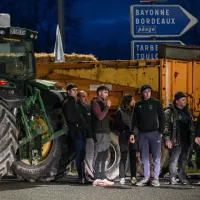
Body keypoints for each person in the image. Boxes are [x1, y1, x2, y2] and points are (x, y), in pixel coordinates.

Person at [130, 84, 165, 187]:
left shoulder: (156, 103)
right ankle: (146, 178)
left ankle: (156, 178)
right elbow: (134, 120)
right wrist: (132, 133)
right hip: (142, 134)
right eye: (145, 92)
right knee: (144, 157)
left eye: (149, 91)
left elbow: (162, 118)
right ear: (142, 93)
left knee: (156, 157)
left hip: (155, 133)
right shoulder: (138, 104)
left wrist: (161, 132)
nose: (147, 93)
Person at [164, 92, 194, 185]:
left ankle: (182, 178)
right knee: (174, 159)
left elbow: (191, 125)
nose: (185, 101)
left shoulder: (187, 112)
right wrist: (167, 138)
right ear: (177, 101)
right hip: (175, 140)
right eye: (183, 100)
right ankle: (172, 178)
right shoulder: (169, 112)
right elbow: (165, 126)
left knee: (184, 159)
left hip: (186, 140)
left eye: (185, 99)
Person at [62, 83, 87, 184]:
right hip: (75, 130)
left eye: (76, 90)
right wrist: (80, 123)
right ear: (68, 91)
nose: (76, 92)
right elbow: (71, 118)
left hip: (78, 130)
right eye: (73, 90)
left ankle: (82, 176)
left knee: (80, 153)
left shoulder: (73, 101)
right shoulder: (68, 102)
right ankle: (81, 177)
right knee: (80, 154)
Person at [91, 85, 114, 186]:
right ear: (99, 92)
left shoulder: (102, 103)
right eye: (105, 92)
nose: (107, 94)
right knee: (98, 156)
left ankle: (103, 177)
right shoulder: (95, 103)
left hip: (105, 133)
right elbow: (100, 117)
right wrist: (107, 107)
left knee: (104, 156)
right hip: (99, 133)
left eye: (107, 93)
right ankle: (96, 177)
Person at [113, 94, 138, 185]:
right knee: (124, 155)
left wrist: (133, 134)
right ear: (128, 101)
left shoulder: (135, 111)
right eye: (132, 100)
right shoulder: (120, 112)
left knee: (133, 156)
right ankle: (122, 176)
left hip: (134, 136)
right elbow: (117, 125)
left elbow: (136, 124)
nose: (134, 101)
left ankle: (133, 177)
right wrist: (127, 132)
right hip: (124, 136)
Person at [77, 90, 96, 178]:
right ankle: (83, 173)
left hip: (89, 134)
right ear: (78, 97)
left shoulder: (89, 107)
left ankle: (90, 171)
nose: (85, 98)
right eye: (83, 96)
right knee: (80, 154)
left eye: (86, 96)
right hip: (80, 135)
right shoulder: (76, 107)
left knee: (90, 153)